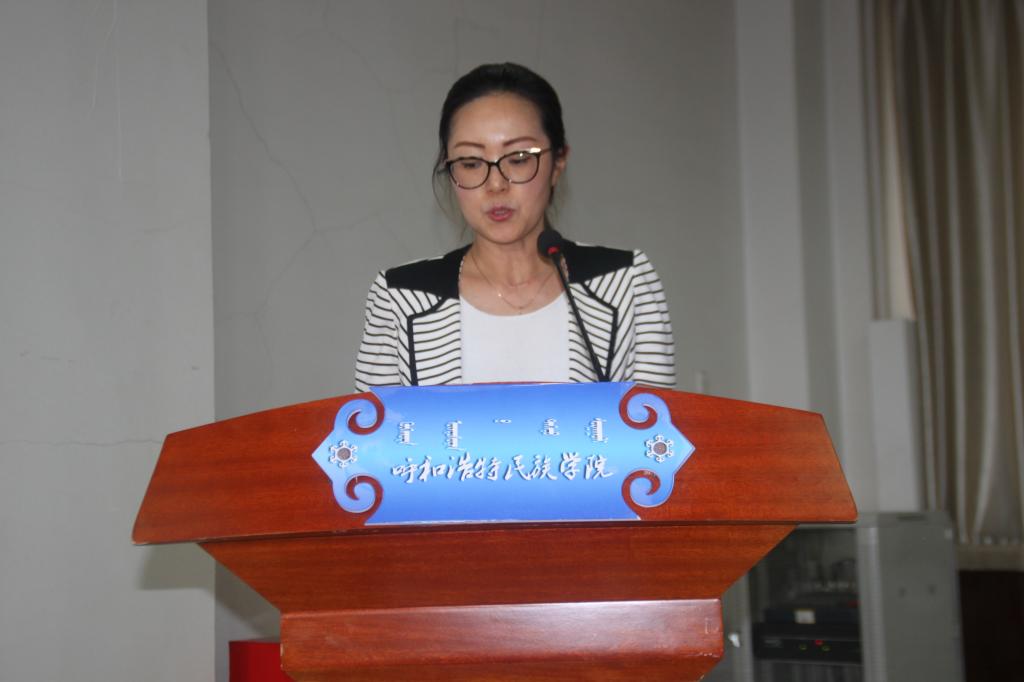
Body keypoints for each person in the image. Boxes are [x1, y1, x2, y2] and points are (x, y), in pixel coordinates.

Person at [354, 63, 674, 391]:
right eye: (470, 163)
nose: (496, 184)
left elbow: (656, 420)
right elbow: (370, 423)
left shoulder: (626, 283)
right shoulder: (400, 297)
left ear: (558, 162)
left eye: (519, 158)